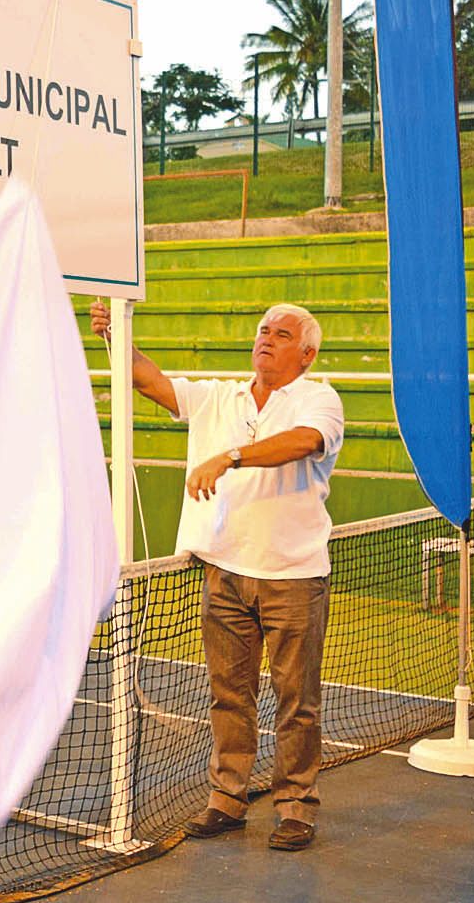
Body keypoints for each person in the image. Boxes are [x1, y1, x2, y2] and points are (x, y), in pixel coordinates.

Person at [91, 298, 343, 851]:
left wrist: (227, 457)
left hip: (293, 578)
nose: (266, 339)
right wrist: (117, 333)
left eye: (281, 334)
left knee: (296, 700)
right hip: (223, 575)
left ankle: (296, 807)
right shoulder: (217, 396)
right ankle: (227, 800)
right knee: (229, 696)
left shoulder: (318, 399)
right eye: (262, 331)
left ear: (307, 353)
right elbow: (150, 381)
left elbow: (303, 443)